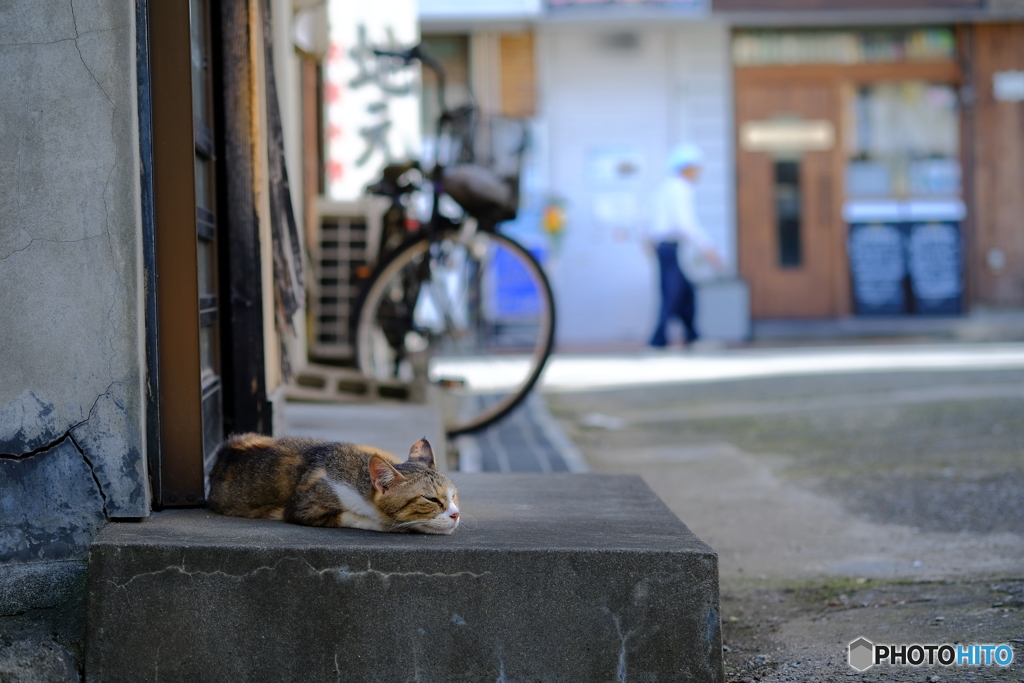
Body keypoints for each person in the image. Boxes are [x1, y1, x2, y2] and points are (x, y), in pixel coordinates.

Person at [647, 143, 724, 348]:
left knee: (684, 291)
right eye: (697, 168)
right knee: (673, 292)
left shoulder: (666, 187)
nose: (699, 173)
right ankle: (658, 339)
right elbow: (685, 222)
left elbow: (650, 218)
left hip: (666, 247)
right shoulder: (680, 188)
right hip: (670, 248)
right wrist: (707, 247)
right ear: (687, 168)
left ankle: (690, 335)